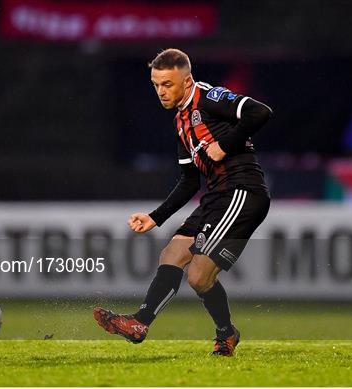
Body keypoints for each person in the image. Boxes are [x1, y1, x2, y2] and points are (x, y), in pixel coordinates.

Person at [93, 48, 272, 356]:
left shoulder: (209, 97)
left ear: (187, 82)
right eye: (156, 85)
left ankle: (216, 333)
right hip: (218, 195)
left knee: (198, 275)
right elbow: (189, 180)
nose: (161, 92)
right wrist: (155, 217)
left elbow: (260, 112)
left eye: (168, 84)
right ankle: (148, 325)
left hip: (242, 192)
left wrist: (223, 146)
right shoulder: (181, 120)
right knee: (173, 253)